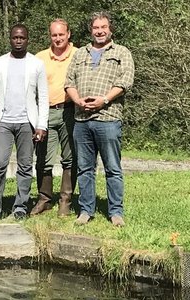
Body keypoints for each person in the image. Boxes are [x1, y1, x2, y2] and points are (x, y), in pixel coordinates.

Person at [64, 11, 134, 226]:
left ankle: (116, 213)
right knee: (85, 168)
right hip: (81, 120)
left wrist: (104, 99)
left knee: (112, 168)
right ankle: (86, 210)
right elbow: (69, 82)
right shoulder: (80, 53)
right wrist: (78, 101)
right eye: (96, 28)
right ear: (90, 30)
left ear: (110, 29)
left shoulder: (121, 52)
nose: (100, 31)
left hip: (108, 118)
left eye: (103, 27)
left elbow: (126, 81)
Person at [0, 24, 49, 220]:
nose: (18, 41)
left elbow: (43, 96)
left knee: (25, 166)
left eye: (22, 37)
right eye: (15, 38)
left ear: (27, 39)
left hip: (26, 123)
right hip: (3, 121)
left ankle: (20, 206)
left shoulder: (36, 64)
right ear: (10, 39)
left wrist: (41, 124)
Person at [31, 19, 78, 217]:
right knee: (43, 159)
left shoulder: (79, 54)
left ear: (68, 34)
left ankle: (65, 200)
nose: (58, 38)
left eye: (61, 34)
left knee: (70, 158)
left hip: (70, 111)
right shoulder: (40, 57)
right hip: (46, 112)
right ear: (50, 36)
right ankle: (44, 199)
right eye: (54, 35)